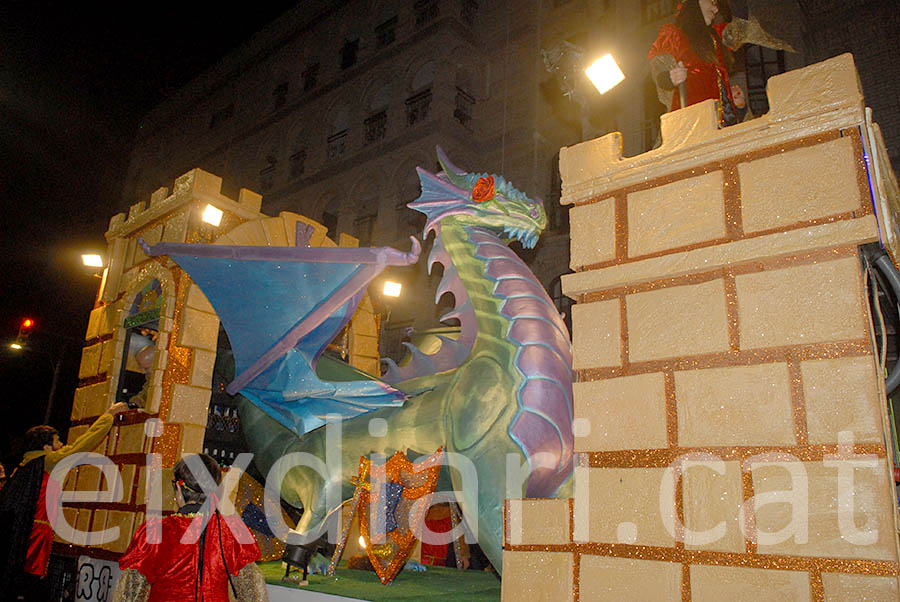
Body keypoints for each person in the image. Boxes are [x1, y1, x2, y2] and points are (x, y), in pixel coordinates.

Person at [0, 401, 130, 600]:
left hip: (24, 534)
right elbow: (80, 446)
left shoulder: (25, 466)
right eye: (58, 442)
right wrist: (108, 416)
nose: (62, 446)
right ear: (46, 447)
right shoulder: (47, 461)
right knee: (30, 586)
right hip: (35, 536)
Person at [112, 454, 268, 602]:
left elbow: (129, 593)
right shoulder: (233, 532)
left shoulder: (154, 532)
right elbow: (252, 593)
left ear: (178, 490)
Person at [648, 0, 740, 126]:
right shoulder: (674, 34)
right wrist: (669, 78)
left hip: (723, 124)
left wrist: (738, 106)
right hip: (692, 123)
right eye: (712, 1)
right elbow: (658, 66)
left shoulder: (717, 37)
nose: (716, 9)